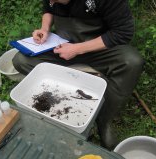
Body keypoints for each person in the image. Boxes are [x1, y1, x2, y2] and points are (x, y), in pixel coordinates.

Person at [12, 0, 144, 150]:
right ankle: (66, 93)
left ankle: (104, 119)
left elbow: (123, 32)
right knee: (21, 60)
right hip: (62, 45)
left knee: (132, 62)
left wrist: (78, 49)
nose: (52, 1)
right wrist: (45, 29)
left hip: (99, 49)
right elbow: (47, 8)